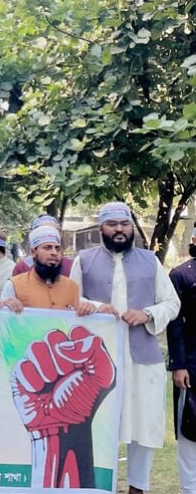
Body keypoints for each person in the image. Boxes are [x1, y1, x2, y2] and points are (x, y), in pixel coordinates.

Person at [70, 202, 181, 494]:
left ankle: (137, 487)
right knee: (97, 423)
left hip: (142, 358)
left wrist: (147, 314)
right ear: (101, 228)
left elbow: (172, 303)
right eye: (112, 224)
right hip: (96, 360)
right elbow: (71, 300)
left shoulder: (150, 261)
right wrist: (95, 307)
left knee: (143, 424)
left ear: (131, 227)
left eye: (124, 224)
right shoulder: (84, 260)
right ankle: (96, 486)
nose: (119, 229)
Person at [0, 226, 98, 315]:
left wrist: (89, 309)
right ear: (33, 252)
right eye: (47, 248)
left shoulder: (72, 287)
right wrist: (5, 306)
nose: (54, 252)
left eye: (57, 249)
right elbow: (1, 321)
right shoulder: (14, 285)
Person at [167, 227, 196, 494]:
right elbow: (174, 323)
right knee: (189, 427)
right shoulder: (180, 275)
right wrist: (178, 364)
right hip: (190, 366)